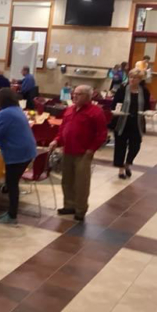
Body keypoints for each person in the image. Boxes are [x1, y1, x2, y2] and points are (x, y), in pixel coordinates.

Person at [50, 85, 108, 222]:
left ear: (88, 96)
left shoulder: (96, 112)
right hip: (67, 150)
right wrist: (56, 140)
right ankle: (69, 205)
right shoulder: (69, 109)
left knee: (81, 183)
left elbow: (102, 134)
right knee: (67, 180)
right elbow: (63, 129)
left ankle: (80, 209)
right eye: (74, 93)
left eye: (79, 94)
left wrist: (91, 149)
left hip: (83, 153)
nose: (74, 96)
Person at [0, 89, 37, 225]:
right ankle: (11, 213)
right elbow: (5, 132)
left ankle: (12, 216)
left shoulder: (5, 114)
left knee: (12, 184)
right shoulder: (16, 110)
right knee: (12, 183)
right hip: (27, 151)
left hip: (17, 154)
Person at [112, 70, 150, 179]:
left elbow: (147, 106)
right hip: (122, 121)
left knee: (135, 146)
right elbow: (115, 105)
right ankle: (120, 169)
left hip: (137, 122)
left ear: (140, 80)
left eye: (135, 78)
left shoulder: (144, 91)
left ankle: (128, 163)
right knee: (120, 146)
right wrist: (117, 111)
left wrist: (147, 112)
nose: (132, 80)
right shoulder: (122, 90)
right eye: (131, 77)